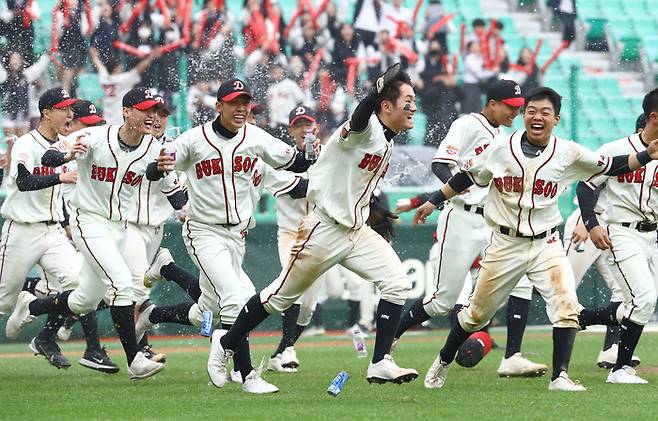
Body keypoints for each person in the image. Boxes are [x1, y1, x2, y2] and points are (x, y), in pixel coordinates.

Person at [414, 86, 658, 392]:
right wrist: (432, 201)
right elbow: (466, 177)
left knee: (566, 304)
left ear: (556, 118)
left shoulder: (568, 152)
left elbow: (610, 167)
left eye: (545, 112)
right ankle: (443, 361)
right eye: (531, 111)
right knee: (476, 315)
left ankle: (561, 377)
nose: (537, 117)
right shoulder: (500, 148)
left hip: (546, 242)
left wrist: (645, 155)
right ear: (523, 116)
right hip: (505, 244)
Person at [206, 63, 419, 391]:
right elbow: (360, 118)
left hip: (355, 229)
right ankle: (226, 342)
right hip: (324, 229)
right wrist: (375, 91)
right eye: (408, 100)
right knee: (279, 297)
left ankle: (379, 363)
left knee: (397, 283)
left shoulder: (387, 140)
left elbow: (348, 180)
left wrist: (373, 209)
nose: (414, 107)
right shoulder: (368, 127)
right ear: (386, 106)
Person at [146, 78, 314, 393]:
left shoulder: (256, 138)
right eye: (234, 102)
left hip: (236, 237)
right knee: (238, 300)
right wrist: (158, 166)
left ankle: (152, 313)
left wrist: (310, 153)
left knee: (207, 310)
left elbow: (296, 163)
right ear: (219, 106)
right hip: (203, 231)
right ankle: (246, 373)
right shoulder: (195, 140)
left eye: (244, 103)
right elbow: (157, 170)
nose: (240, 108)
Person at [5, 87, 175, 381]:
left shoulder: (151, 146)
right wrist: (68, 155)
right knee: (122, 284)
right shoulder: (94, 137)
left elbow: (149, 174)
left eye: (154, 110)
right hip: (87, 222)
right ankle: (135, 359)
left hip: (113, 226)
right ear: (126, 112)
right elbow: (47, 156)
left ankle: (32, 304)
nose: (151, 115)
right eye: (144, 109)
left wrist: (159, 171)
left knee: (84, 299)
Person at [394, 80, 547, 378]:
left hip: (491, 221)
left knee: (521, 281)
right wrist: (453, 189)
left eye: (519, 108)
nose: (515, 113)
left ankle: (512, 356)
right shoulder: (468, 124)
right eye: (511, 107)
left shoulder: (504, 136)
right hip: (461, 217)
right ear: (492, 103)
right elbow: (440, 164)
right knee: (442, 302)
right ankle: (392, 335)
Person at [575, 89, 658, 384]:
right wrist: (591, 223)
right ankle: (620, 369)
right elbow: (585, 186)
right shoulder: (615, 148)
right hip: (621, 231)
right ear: (653, 117)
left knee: (636, 303)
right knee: (644, 298)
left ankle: (582, 318)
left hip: (652, 235)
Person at [0, 87, 80, 370]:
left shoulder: (65, 145)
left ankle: (33, 305)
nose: (70, 113)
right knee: (3, 303)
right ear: (46, 113)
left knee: (80, 285)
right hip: (20, 230)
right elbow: (23, 181)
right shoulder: (26, 143)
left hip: (52, 231)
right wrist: (60, 176)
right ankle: (23, 300)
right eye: (63, 108)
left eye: (71, 107)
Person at [562, 113, 646, 369]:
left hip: (616, 229)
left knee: (625, 291)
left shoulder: (651, 161)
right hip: (588, 223)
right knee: (565, 289)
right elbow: (591, 184)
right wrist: (585, 222)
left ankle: (611, 349)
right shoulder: (621, 151)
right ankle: (544, 359)